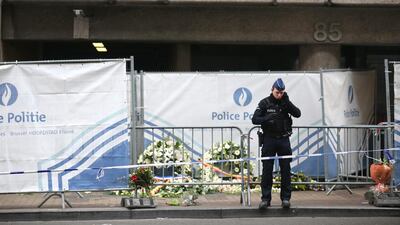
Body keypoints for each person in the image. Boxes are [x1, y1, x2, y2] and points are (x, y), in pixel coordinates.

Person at [252, 78, 301, 209]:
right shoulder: (264, 103)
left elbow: (298, 114)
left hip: (284, 139)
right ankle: (265, 199)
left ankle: (285, 198)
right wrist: (266, 119)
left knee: (286, 170)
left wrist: (288, 103)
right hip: (269, 140)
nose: (279, 94)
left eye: (281, 92)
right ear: (272, 90)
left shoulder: (285, 102)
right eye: (277, 92)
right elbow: (254, 119)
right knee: (267, 170)